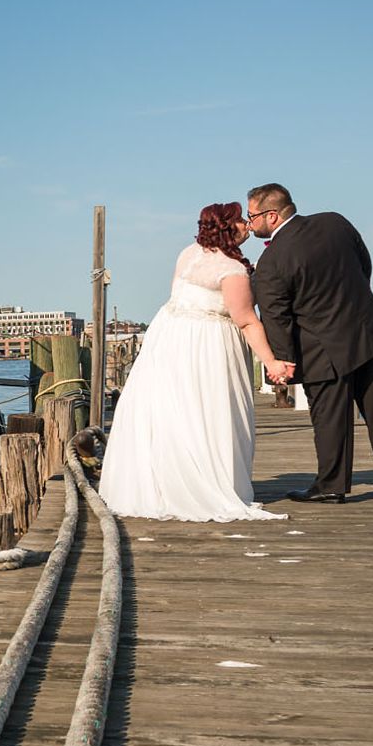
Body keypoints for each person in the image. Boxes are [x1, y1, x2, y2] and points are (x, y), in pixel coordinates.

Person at [98, 202, 291, 522]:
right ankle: (205, 480)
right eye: (241, 221)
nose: (246, 225)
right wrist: (271, 362)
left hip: (170, 335)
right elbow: (246, 322)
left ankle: (165, 479)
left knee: (174, 410)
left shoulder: (188, 253)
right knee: (207, 409)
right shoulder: (232, 269)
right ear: (229, 229)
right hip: (208, 343)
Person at [246, 183, 373, 503]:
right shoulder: (334, 222)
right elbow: (363, 265)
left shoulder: (271, 262)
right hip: (366, 330)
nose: (249, 222)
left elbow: (276, 317)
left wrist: (283, 361)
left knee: (330, 419)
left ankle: (332, 485)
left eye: (252, 215)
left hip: (320, 349)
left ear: (272, 215)